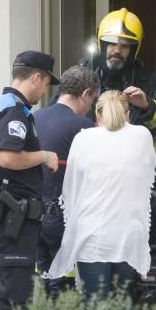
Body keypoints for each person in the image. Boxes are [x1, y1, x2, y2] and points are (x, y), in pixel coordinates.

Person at [48, 91, 156, 309]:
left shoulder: (84, 138)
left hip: (92, 235)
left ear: (97, 115)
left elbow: (71, 189)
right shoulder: (142, 136)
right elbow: (147, 177)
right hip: (127, 235)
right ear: (128, 114)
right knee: (122, 306)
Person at [0, 51, 60, 310]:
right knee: (14, 298)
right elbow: (7, 158)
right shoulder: (14, 110)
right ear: (36, 77)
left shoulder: (6, 105)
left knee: (15, 294)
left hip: (13, 215)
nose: (44, 91)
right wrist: (44, 156)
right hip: (14, 218)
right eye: (46, 83)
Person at [84, 7, 156, 243]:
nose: (117, 51)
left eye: (125, 46)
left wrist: (146, 106)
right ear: (102, 43)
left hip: (138, 168)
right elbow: (66, 115)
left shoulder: (146, 80)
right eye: (112, 44)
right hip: (96, 170)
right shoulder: (84, 76)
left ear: (133, 49)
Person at [33, 65, 99, 296]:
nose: (89, 109)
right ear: (85, 94)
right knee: (63, 288)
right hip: (63, 219)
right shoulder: (83, 128)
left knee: (41, 284)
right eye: (92, 102)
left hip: (33, 215)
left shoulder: (34, 118)